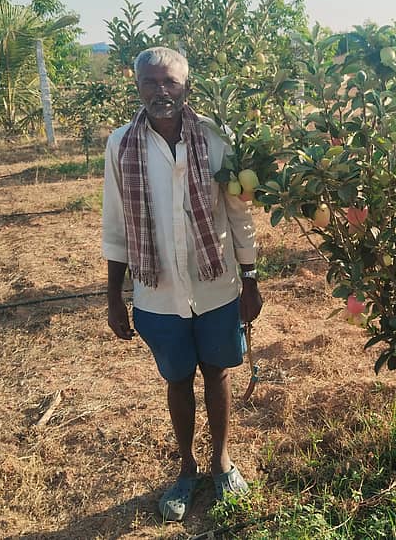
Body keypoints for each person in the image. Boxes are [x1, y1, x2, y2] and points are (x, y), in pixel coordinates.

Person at [102, 46, 263, 522]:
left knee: (217, 372)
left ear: (186, 86)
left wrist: (250, 277)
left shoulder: (215, 137)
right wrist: (114, 295)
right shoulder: (121, 145)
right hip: (157, 291)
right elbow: (116, 224)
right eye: (150, 82)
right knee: (176, 379)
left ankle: (221, 462)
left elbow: (238, 212)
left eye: (170, 82)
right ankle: (187, 468)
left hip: (216, 285)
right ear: (137, 87)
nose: (161, 91)